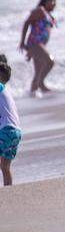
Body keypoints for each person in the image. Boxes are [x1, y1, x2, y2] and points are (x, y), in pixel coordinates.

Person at [18, 0, 56, 97]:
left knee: (38, 71)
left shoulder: (48, 14)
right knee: (50, 61)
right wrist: (22, 42)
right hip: (35, 43)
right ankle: (40, 83)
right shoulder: (40, 10)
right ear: (45, 1)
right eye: (52, 1)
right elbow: (26, 23)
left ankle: (33, 94)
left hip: (40, 45)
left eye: (55, 1)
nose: (54, 4)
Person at [0, 55, 18, 186]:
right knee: (5, 167)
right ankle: (8, 191)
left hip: (6, 131)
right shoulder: (6, 94)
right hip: (16, 132)